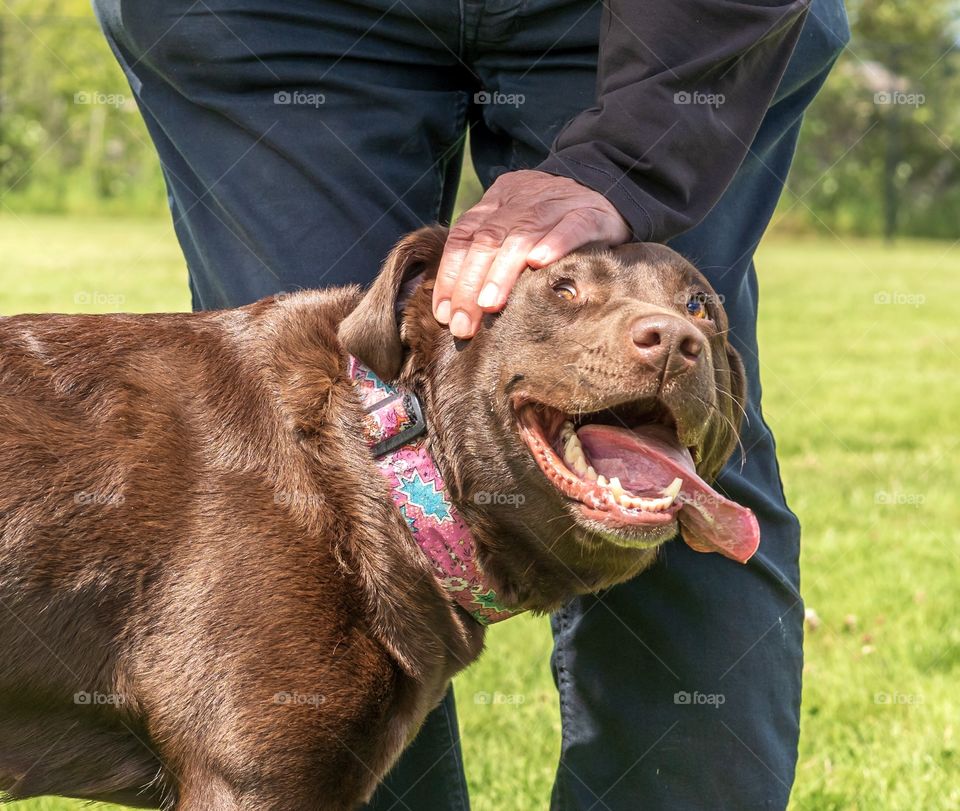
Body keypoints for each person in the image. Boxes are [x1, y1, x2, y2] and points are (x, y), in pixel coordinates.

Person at [91, 0, 850, 807]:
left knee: (677, 478)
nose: (675, 333)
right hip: (275, 18)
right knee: (306, 494)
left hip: (661, 25)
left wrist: (629, 164)